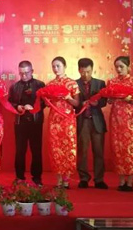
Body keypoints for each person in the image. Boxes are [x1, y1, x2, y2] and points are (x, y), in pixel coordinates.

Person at [107, 56, 133, 191]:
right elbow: (109, 101)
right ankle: (121, 181)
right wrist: (111, 98)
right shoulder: (112, 82)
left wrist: (129, 99)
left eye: (121, 66)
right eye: (116, 66)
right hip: (116, 119)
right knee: (118, 149)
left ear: (128, 67)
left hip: (130, 120)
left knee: (130, 148)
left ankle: (130, 182)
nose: (119, 69)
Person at [8, 60, 45, 185]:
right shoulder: (14, 87)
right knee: (20, 151)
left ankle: (37, 177)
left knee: (36, 150)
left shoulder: (40, 85)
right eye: (21, 73)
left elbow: (45, 102)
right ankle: (19, 177)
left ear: (32, 71)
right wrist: (17, 106)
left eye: (26, 73)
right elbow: (10, 102)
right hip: (20, 122)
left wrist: (34, 107)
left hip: (36, 122)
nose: (24, 76)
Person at [46, 56, 80, 189]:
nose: (56, 69)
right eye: (53, 66)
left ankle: (66, 180)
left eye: (58, 66)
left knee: (68, 148)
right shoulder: (50, 84)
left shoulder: (72, 83)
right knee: (55, 148)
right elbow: (47, 103)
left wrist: (68, 98)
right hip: (54, 120)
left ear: (65, 66)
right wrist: (46, 99)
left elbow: (76, 103)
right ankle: (59, 180)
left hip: (67, 120)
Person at [75, 58, 108, 189]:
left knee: (99, 151)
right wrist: (80, 104)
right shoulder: (74, 84)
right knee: (82, 151)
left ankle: (99, 179)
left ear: (92, 69)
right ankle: (83, 178)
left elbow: (104, 101)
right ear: (79, 70)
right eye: (83, 72)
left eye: (88, 72)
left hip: (97, 121)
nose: (86, 75)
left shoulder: (100, 83)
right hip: (82, 120)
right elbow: (72, 103)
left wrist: (97, 103)